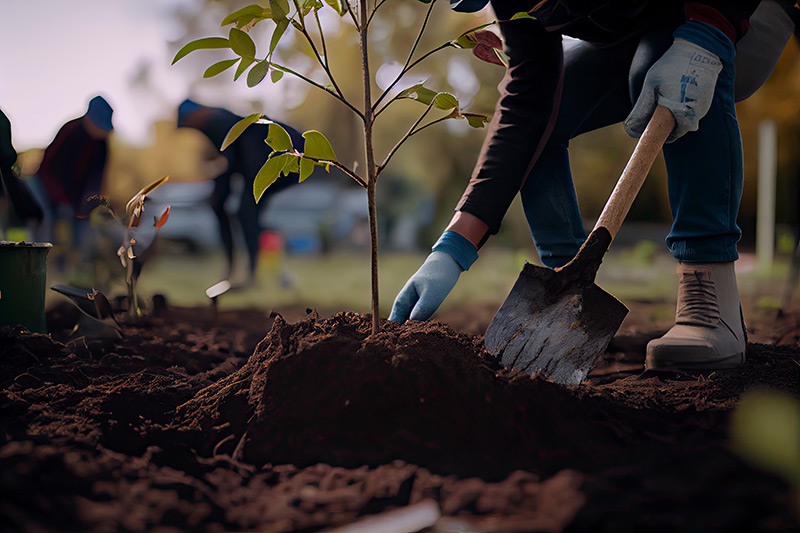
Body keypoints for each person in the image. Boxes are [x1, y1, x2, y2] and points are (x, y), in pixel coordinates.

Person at [390, 0, 799, 373]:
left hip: (743, 9)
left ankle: (710, 301)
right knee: (550, 112)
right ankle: (568, 294)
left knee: (663, 71)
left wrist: (708, 30)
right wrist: (452, 248)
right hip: (649, 20)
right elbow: (528, 103)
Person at [177, 99, 304, 286]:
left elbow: (245, 160)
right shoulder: (217, 123)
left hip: (279, 159)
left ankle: (251, 273)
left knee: (246, 212)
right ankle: (239, 269)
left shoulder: (221, 122)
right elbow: (229, 161)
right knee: (229, 207)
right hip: (255, 161)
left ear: (198, 115)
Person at [30, 95, 114, 253]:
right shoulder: (70, 131)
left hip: (72, 194)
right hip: (44, 185)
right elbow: (48, 169)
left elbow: (96, 177)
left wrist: (89, 201)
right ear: (89, 120)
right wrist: (62, 199)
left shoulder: (102, 144)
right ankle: (43, 259)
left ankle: (78, 260)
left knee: (82, 220)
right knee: (46, 220)